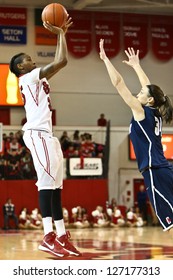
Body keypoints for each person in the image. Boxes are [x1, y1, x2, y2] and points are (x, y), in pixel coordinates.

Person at [9, 17, 81, 258]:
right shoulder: (28, 77)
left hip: (48, 136)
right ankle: (47, 236)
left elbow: (61, 62)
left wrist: (61, 33)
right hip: (37, 134)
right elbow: (62, 61)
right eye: (28, 60)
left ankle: (61, 235)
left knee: (57, 187)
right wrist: (61, 33)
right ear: (20, 67)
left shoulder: (35, 78)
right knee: (46, 185)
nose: (32, 61)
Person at [99, 39, 173, 234]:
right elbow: (148, 86)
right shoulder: (155, 111)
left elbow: (118, 83)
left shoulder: (141, 111)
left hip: (155, 171)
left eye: (140, 93)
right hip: (164, 168)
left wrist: (106, 60)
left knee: (170, 221)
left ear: (148, 100)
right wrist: (137, 66)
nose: (137, 93)